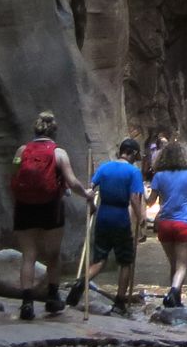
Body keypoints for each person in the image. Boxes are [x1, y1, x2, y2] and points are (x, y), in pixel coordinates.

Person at [8, 110, 92, 320]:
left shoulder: (21, 150)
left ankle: (27, 304)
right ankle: (53, 298)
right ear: (55, 132)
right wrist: (87, 194)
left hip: (24, 207)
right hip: (50, 207)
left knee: (29, 256)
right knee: (53, 255)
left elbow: (13, 175)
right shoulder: (59, 153)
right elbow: (72, 182)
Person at [67, 138, 144, 316]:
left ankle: (81, 282)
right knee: (126, 261)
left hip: (103, 215)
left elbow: (90, 191)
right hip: (120, 217)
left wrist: (93, 207)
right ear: (132, 153)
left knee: (99, 260)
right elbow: (134, 199)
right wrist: (140, 221)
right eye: (136, 155)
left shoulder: (104, 168)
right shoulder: (133, 172)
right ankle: (119, 301)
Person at [148, 140, 187, 308]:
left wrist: (138, 197)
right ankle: (174, 292)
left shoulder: (159, 176)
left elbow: (150, 202)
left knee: (174, 264)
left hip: (165, 224)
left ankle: (176, 300)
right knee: (182, 266)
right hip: (185, 223)